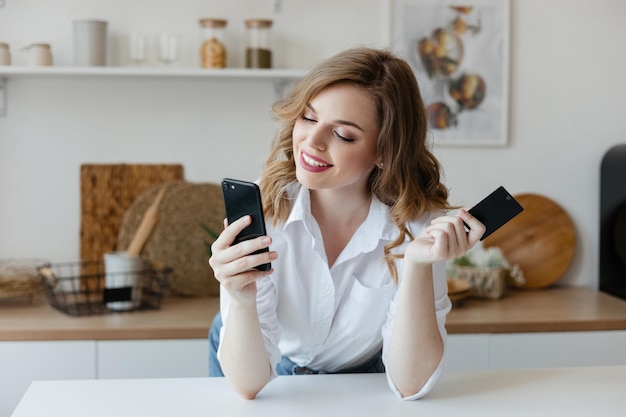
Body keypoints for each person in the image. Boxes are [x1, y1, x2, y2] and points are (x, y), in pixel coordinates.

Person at [208, 47, 485, 400]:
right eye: (308, 118)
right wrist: (239, 297)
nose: (312, 142)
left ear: (385, 152)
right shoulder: (265, 209)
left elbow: (410, 384)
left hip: (360, 377)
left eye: (343, 135)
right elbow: (249, 385)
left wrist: (416, 264)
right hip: (253, 360)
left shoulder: (418, 225)